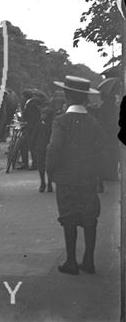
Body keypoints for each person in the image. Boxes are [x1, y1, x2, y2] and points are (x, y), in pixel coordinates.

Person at [46, 76, 103, 275]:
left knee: (68, 218)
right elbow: (99, 151)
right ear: (86, 98)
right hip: (88, 178)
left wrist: (50, 171)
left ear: (68, 97)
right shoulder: (94, 122)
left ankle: (71, 261)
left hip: (66, 178)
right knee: (89, 218)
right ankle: (89, 260)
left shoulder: (61, 121)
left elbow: (54, 148)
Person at [34, 91, 65, 193]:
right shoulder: (47, 123)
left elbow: (35, 134)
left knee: (45, 166)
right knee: (45, 166)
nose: (42, 115)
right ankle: (46, 183)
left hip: (45, 146)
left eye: (44, 114)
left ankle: (46, 183)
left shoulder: (49, 123)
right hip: (43, 146)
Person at [18, 90, 41, 170]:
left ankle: (33, 164)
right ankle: (28, 163)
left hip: (31, 129)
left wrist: (26, 123)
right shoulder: (30, 103)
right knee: (27, 145)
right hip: (30, 127)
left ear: (25, 97)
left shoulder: (32, 105)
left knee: (30, 145)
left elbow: (33, 118)